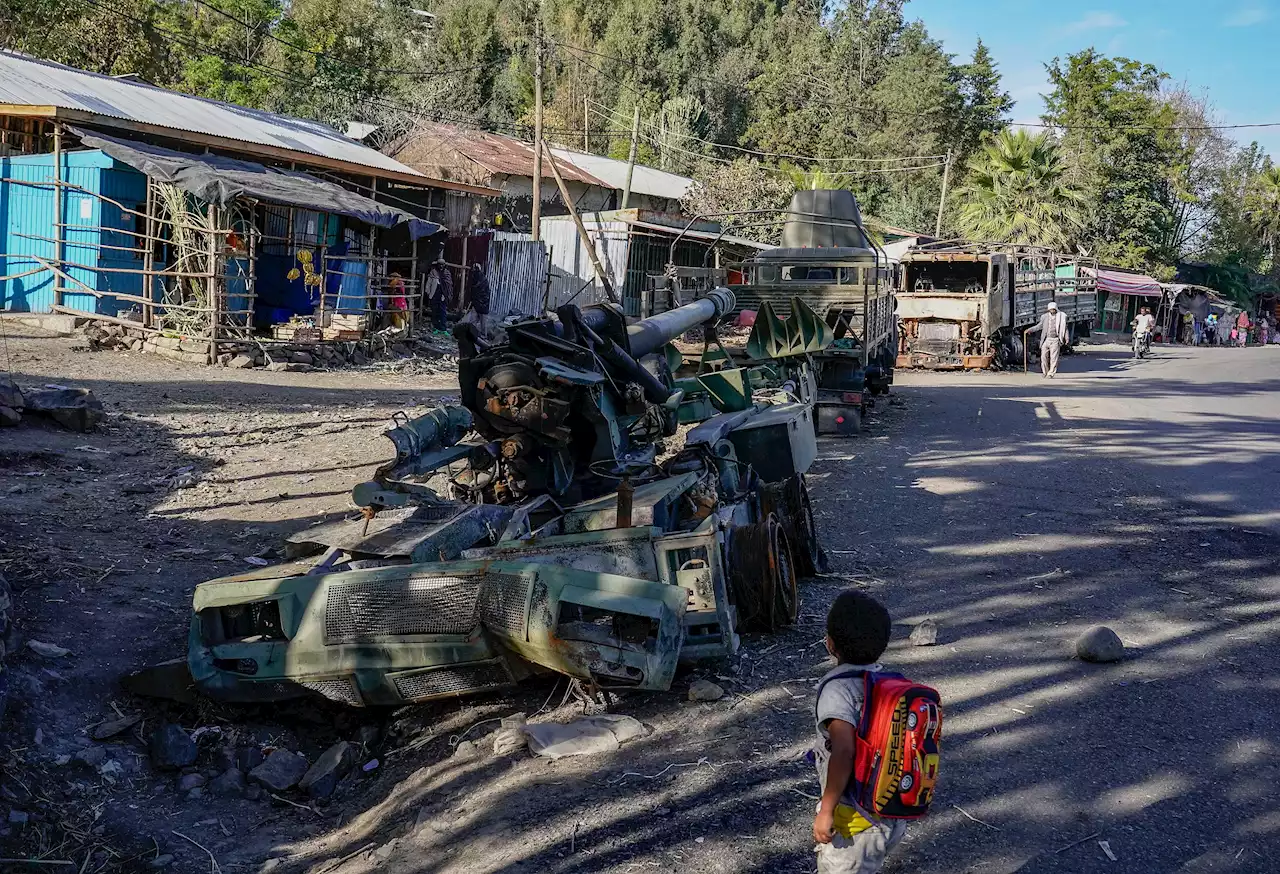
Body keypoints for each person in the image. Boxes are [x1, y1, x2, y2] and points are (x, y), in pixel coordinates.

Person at [812, 590, 905, 874]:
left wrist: (826, 810)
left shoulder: (837, 690)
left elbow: (844, 750)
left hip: (855, 822)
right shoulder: (886, 683)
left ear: (830, 644)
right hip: (890, 812)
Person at [1031, 301, 1069, 378]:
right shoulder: (1044, 317)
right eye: (1051, 309)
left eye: (1053, 309)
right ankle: (1045, 372)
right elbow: (1039, 326)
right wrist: (1030, 330)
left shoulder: (1061, 317)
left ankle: (1051, 373)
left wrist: (1066, 337)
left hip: (1055, 340)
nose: (1052, 311)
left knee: (1053, 358)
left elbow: (1064, 328)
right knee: (1043, 357)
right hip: (1046, 339)